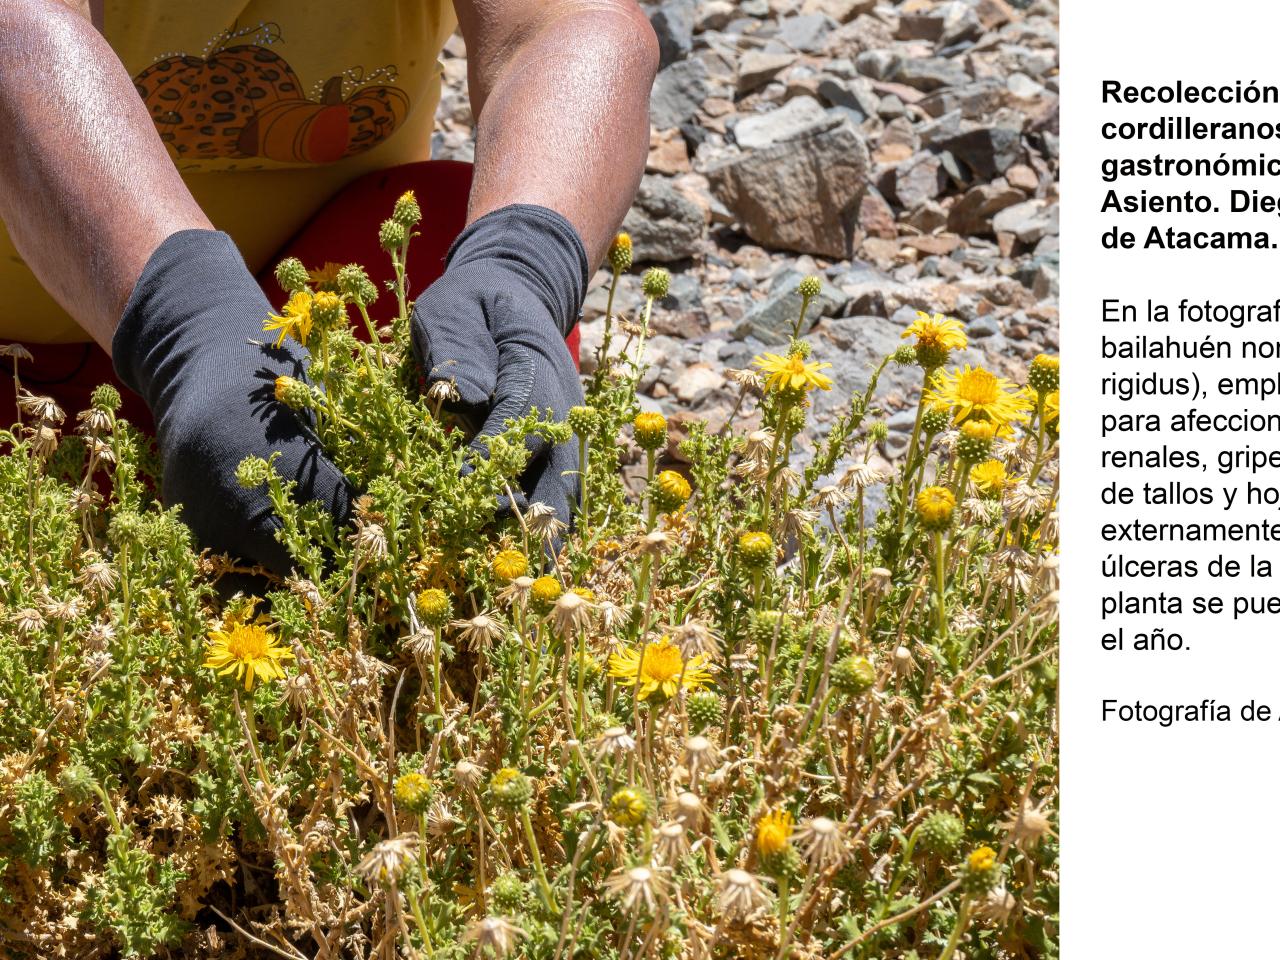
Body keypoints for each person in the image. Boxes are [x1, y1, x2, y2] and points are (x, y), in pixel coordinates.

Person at [0, 0, 658, 572]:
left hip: (297, 347)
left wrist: (522, 265)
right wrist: (184, 323)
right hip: (31, 371)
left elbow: (566, 20)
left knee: (475, 300)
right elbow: (17, 32)